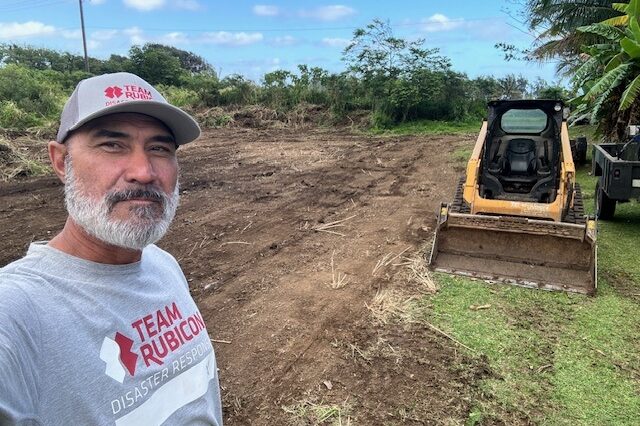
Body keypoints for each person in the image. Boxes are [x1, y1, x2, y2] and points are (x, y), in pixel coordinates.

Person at [0, 72, 223, 425]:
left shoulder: (163, 265)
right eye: (112, 145)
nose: (143, 172)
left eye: (159, 148)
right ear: (61, 162)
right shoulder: (16, 312)